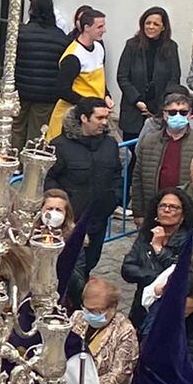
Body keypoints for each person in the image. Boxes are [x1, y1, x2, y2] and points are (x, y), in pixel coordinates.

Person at [50, 96, 121, 282]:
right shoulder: (60, 146)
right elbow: (49, 180)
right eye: (99, 118)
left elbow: (116, 175)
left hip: (98, 220)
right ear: (83, 118)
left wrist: (114, 200)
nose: (104, 123)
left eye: (106, 117)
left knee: (89, 262)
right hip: (69, 224)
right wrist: (61, 211)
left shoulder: (110, 145)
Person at [134, 90, 193, 225]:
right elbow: (137, 179)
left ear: (190, 114)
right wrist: (138, 212)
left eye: (183, 112)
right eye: (172, 112)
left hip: (187, 213)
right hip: (155, 210)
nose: (178, 116)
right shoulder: (149, 142)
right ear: (164, 114)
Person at [125, 187, 193, 326]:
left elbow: (182, 272)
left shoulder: (190, 241)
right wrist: (154, 280)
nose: (167, 210)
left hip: (171, 306)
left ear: (183, 215)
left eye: (174, 207)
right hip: (141, 304)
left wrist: (158, 249)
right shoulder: (146, 235)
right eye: (163, 206)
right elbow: (127, 268)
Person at [11, 0, 68, 149]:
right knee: (38, 132)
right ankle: (30, 168)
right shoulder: (60, 37)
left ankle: (13, 166)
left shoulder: (20, 33)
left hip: (20, 90)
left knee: (16, 128)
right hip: (45, 94)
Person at [118, 6, 183, 141]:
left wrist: (161, 104)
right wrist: (137, 100)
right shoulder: (132, 45)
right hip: (134, 109)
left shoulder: (171, 47)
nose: (151, 27)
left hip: (159, 110)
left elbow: (174, 77)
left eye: (156, 24)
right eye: (148, 23)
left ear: (163, 27)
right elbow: (122, 77)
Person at [49, 4, 108, 140]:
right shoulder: (73, 56)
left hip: (96, 112)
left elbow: (99, 79)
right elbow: (62, 90)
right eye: (100, 27)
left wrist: (107, 96)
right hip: (75, 116)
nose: (104, 30)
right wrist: (88, 105)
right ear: (86, 28)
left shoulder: (99, 47)